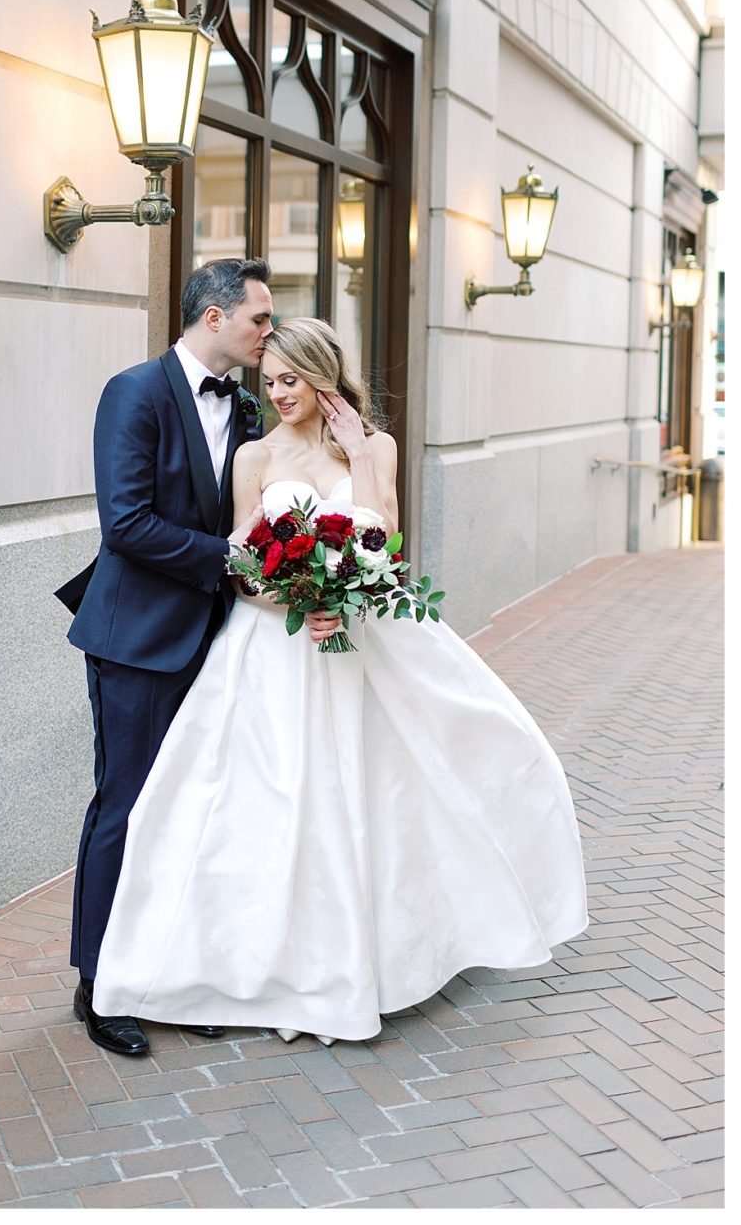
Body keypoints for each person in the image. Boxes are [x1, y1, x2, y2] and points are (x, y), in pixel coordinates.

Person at [89, 318, 588, 1045]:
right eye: (270, 382)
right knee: (254, 807)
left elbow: (384, 543)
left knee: (367, 796)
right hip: (269, 651)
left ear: (323, 375)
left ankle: (358, 959)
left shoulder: (375, 446)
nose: (277, 394)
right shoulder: (254, 456)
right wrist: (301, 601)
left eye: (290, 379)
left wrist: (358, 459)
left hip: (358, 650)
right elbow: (241, 567)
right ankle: (228, 970)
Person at [56, 259, 342, 1057]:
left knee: (193, 811)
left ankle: (173, 972)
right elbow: (128, 523)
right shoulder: (135, 393)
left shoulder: (253, 412)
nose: (267, 331)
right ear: (214, 318)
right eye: (259, 318)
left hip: (222, 644)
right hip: (138, 640)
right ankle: (98, 982)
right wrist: (234, 560)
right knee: (126, 807)